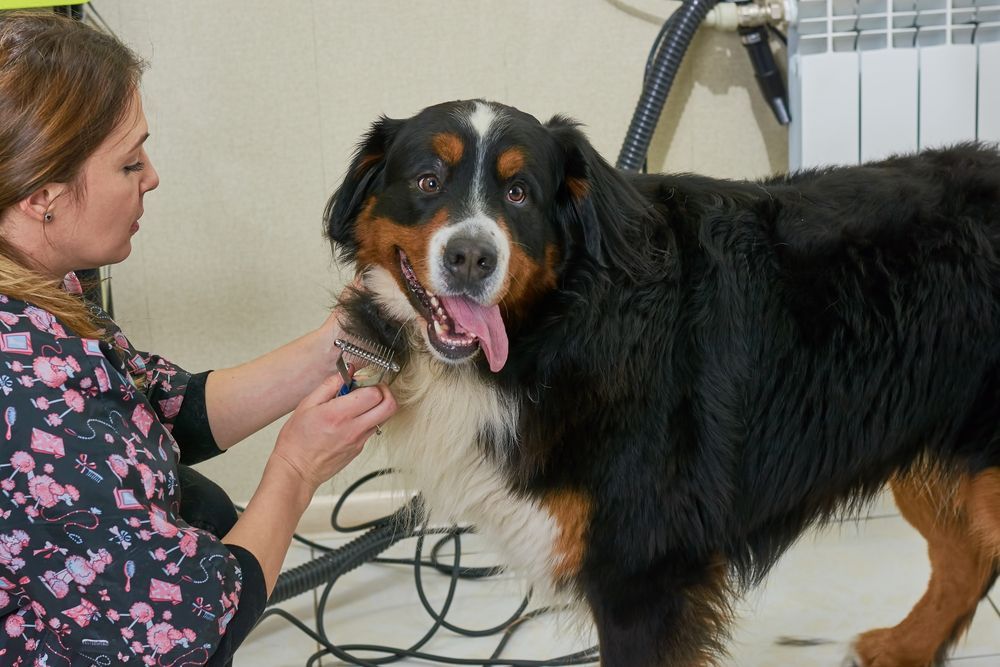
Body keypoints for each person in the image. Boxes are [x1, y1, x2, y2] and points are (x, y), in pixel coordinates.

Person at [0, 10, 397, 666]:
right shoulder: (23, 383)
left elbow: (156, 406)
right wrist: (295, 468)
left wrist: (335, 341)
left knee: (201, 501)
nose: (151, 176)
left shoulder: (39, 289)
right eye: (130, 163)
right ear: (43, 194)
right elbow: (187, 628)